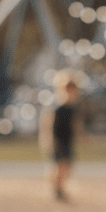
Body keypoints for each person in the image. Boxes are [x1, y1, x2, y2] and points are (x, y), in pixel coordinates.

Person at [39, 71, 83, 202]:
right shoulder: (56, 106)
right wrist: (47, 139)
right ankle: (56, 189)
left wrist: (82, 136)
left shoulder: (72, 108)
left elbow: (76, 124)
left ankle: (59, 188)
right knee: (58, 167)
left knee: (67, 167)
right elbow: (47, 123)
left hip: (68, 139)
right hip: (57, 139)